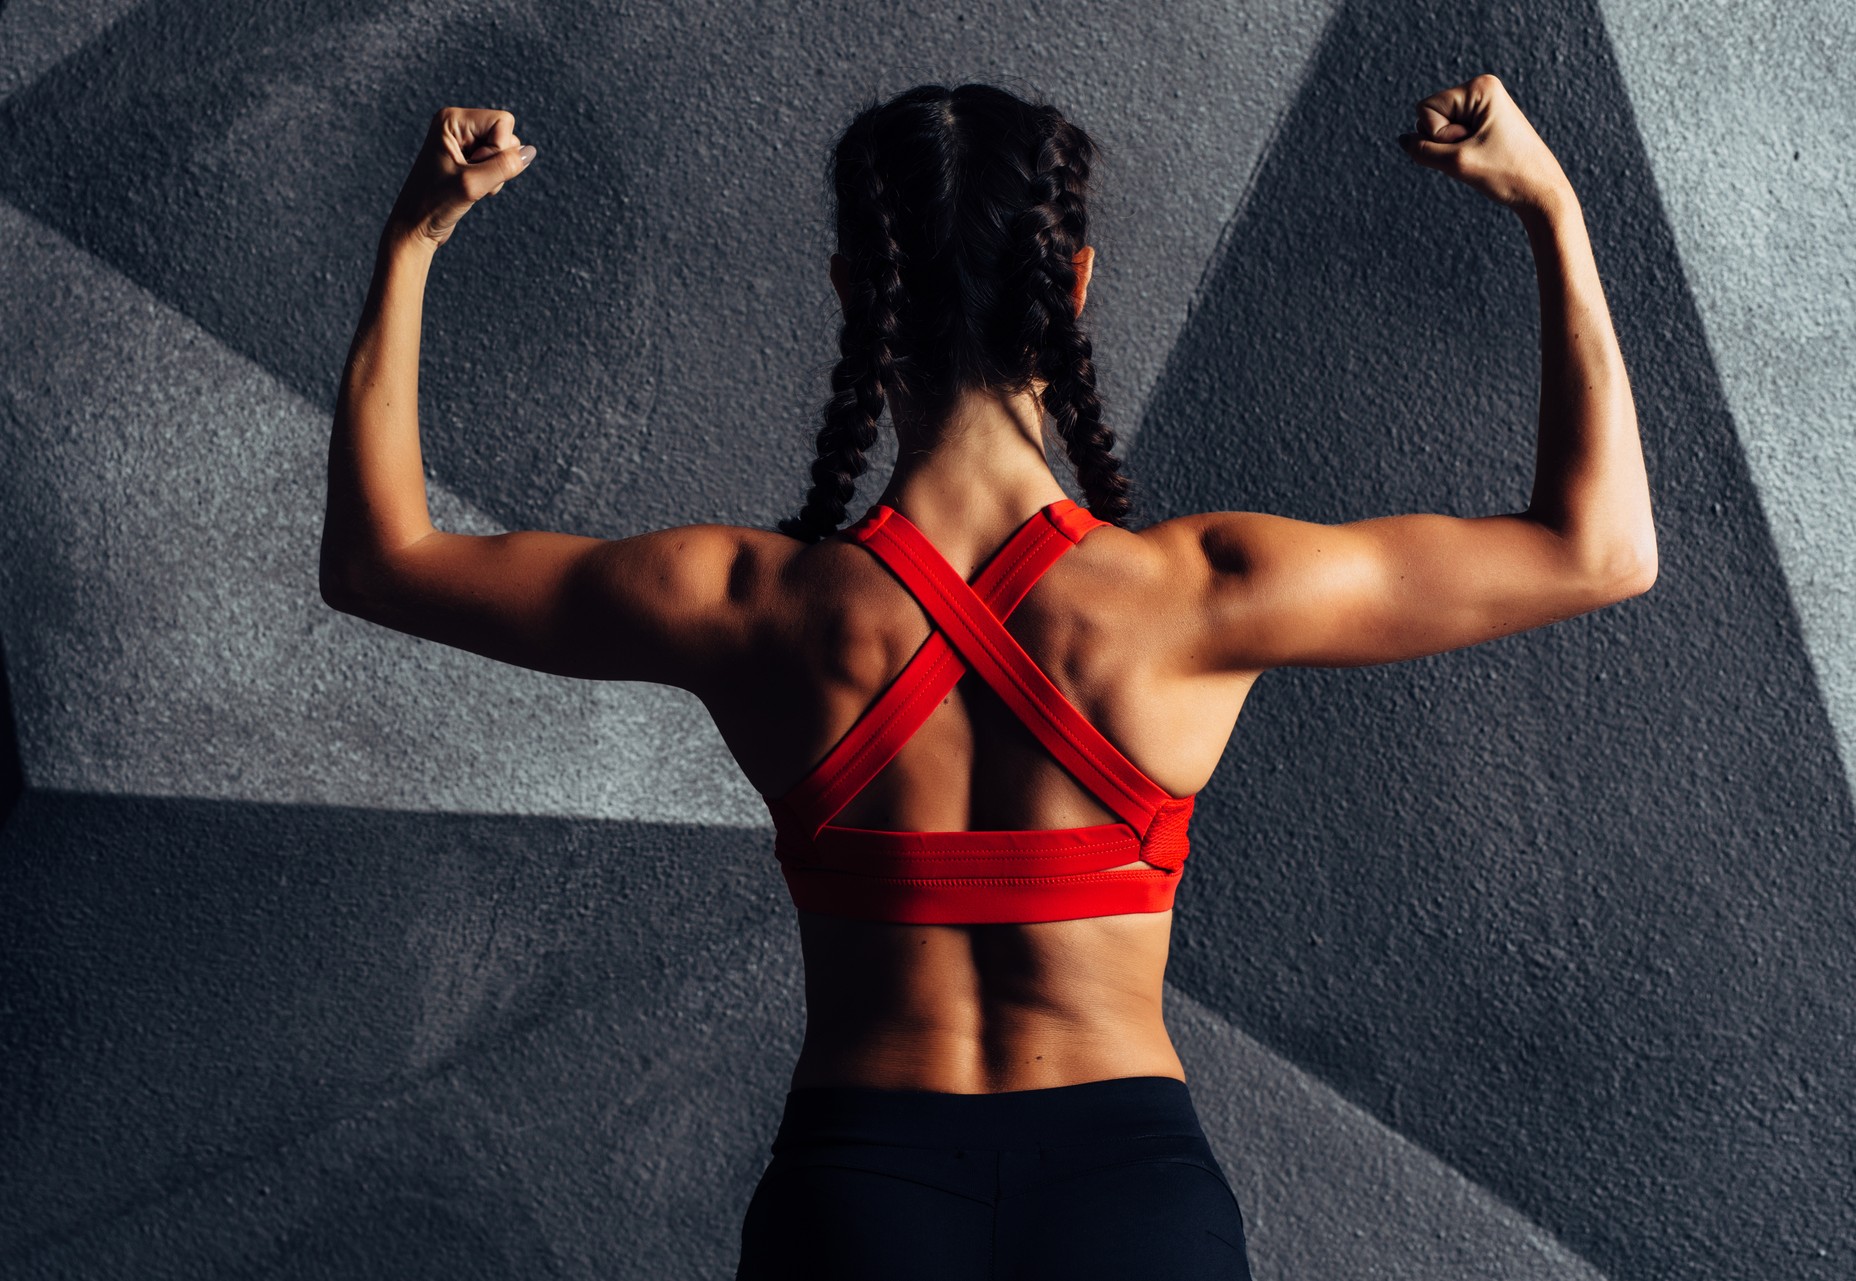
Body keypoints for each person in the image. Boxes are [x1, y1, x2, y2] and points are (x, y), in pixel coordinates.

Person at [322, 74, 1654, 1281]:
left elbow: (382, 560)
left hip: (862, 1203)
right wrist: (1550, 206)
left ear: (856, 291)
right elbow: (1600, 550)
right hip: (1128, 1204)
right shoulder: (1203, 595)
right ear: (1073, 286)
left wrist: (417, 237)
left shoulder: (748, 604)